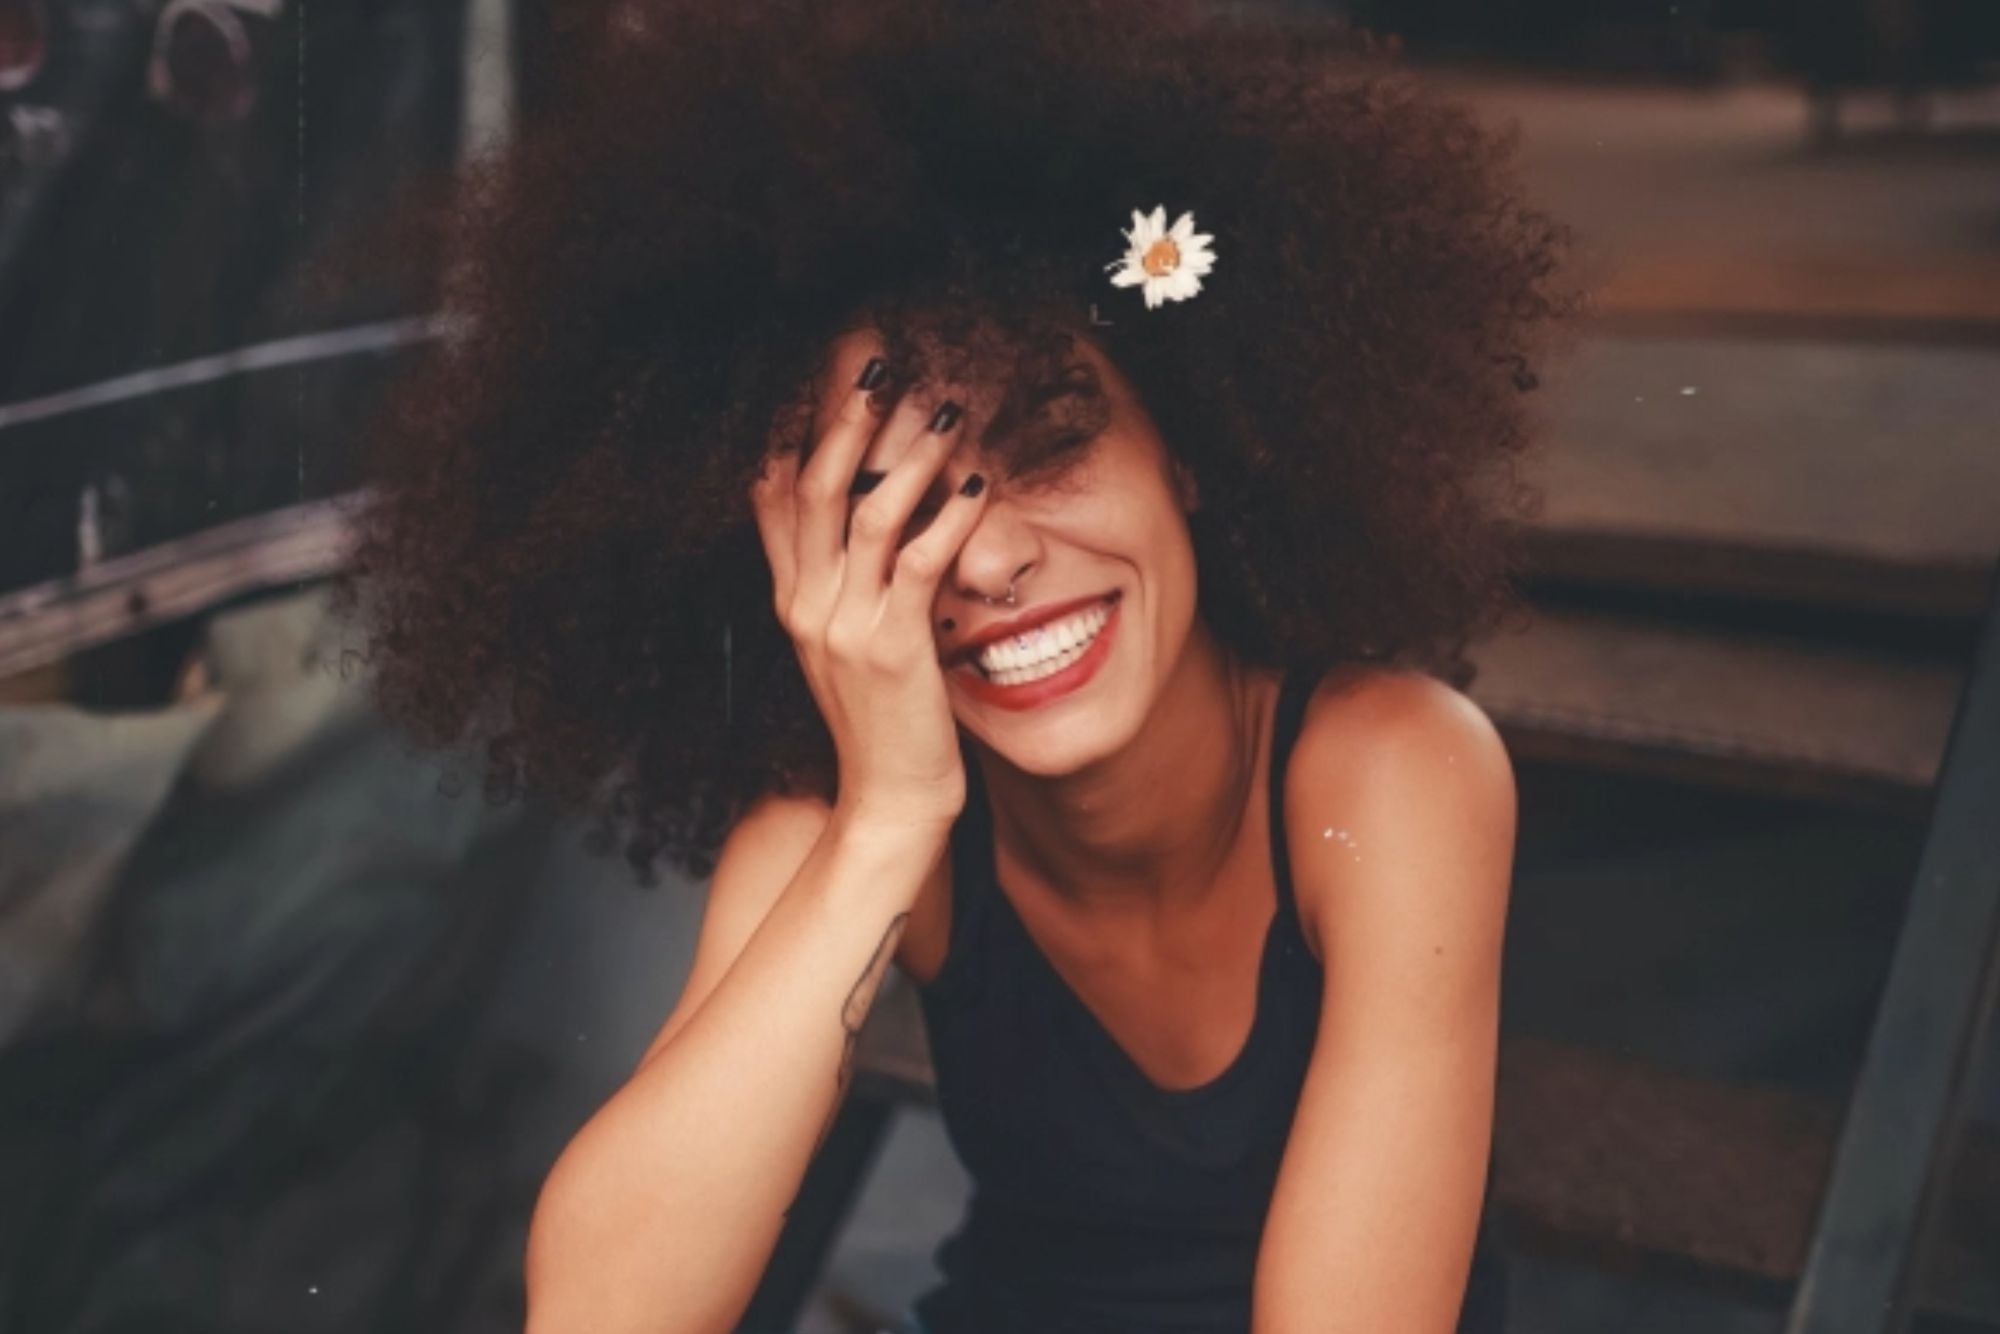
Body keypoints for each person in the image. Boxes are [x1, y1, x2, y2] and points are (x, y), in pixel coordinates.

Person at [335, 1, 1569, 1330]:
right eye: (889, 504)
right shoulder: (848, 815)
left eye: (1048, 441)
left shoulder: (1392, 774)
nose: (983, 560)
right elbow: (601, 1314)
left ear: (1194, 443)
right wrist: (891, 817)